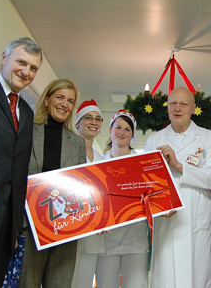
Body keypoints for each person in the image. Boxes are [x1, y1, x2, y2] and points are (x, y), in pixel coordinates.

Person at [144, 87, 211, 288]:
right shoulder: (155, 140)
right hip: (166, 222)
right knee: (165, 277)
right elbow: (147, 184)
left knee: (195, 277)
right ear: (167, 107)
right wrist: (158, 207)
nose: (177, 108)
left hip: (195, 223)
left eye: (183, 104)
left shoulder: (207, 138)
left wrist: (179, 166)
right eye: (173, 103)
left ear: (193, 108)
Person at [19, 78, 86, 288]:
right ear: (47, 99)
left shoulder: (77, 143)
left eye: (70, 101)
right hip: (29, 226)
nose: (64, 104)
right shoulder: (26, 130)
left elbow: (81, 185)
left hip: (65, 228)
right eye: (59, 97)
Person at [0, 37, 42, 288]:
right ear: (4, 57)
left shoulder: (27, 113)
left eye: (33, 68)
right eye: (21, 62)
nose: (26, 72)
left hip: (6, 226)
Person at [95, 109, 149, 288]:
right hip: (106, 237)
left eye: (127, 129)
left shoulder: (142, 164)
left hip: (135, 236)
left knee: (136, 284)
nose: (122, 132)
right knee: (105, 284)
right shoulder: (98, 165)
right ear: (110, 129)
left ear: (132, 134)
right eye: (118, 127)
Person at [72, 99, 104, 288]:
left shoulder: (101, 160)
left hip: (94, 230)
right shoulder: (66, 152)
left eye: (98, 119)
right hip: (70, 227)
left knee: (85, 280)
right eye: (88, 118)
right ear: (77, 123)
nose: (94, 122)